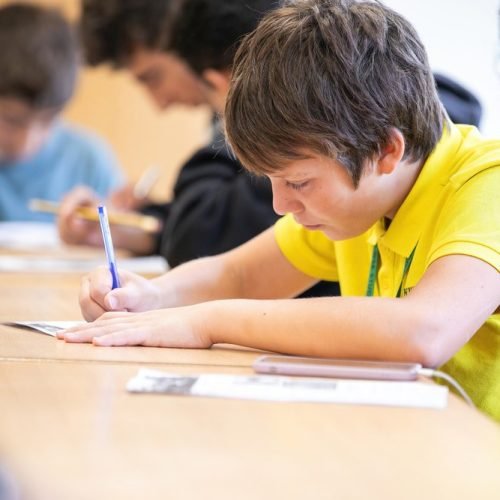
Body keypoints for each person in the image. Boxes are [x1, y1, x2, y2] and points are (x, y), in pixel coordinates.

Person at [59, 0, 499, 420]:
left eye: (299, 182)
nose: (280, 205)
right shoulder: (364, 200)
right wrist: (151, 297)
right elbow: (240, 275)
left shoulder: (487, 184)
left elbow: (422, 332)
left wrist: (209, 321)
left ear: (385, 151)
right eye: (271, 182)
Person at [60, 0, 338, 297]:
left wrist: (231, 112)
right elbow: (236, 268)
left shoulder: (317, 141)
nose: (160, 102)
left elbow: (204, 235)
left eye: (152, 77)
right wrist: (138, 230)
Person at [0, 4, 122, 222]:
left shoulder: (88, 160)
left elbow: (120, 233)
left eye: (47, 121)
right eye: (12, 121)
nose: (26, 142)